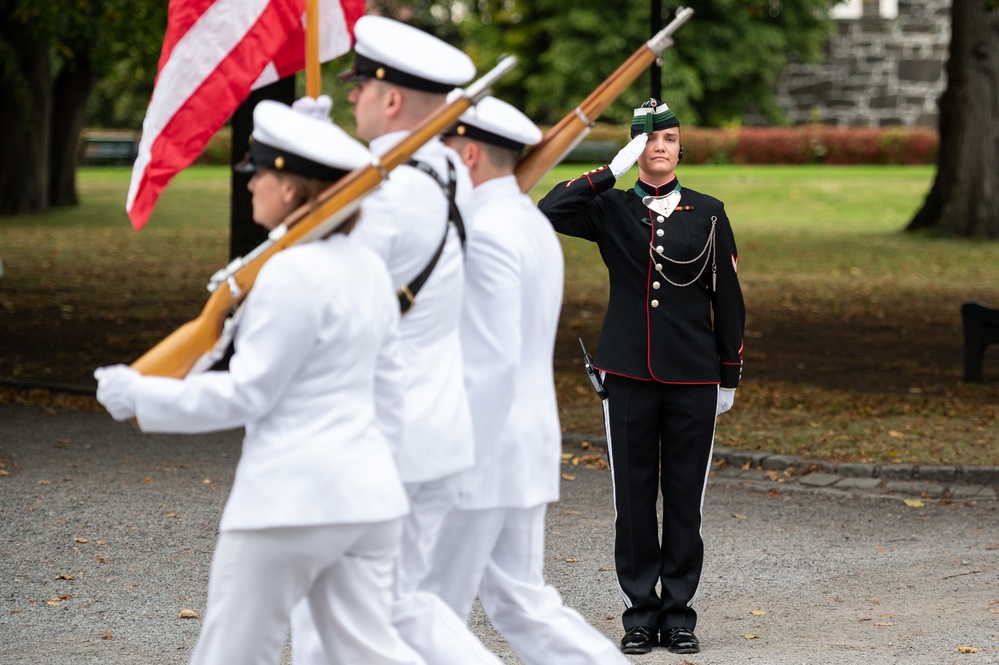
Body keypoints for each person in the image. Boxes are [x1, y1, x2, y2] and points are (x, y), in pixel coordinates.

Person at [93, 97, 427, 665]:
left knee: (232, 655)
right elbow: (389, 390)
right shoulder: (368, 267)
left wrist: (140, 395)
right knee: (370, 654)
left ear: (292, 190)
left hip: (290, 503)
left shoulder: (291, 273)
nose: (249, 186)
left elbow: (249, 393)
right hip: (369, 500)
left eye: (259, 174)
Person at [289, 15, 501, 665]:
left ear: (390, 99)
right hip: (433, 432)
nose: (348, 97)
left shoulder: (384, 188)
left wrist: (305, 164)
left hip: (382, 435)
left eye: (359, 87)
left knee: (327, 612)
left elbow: (318, 277)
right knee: (397, 605)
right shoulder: (444, 170)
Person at [415, 95, 631, 665]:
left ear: (468, 152)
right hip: (524, 440)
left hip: (484, 447)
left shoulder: (486, 230)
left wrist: (451, 457)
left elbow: (491, 363)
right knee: (519, 601)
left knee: (425, 609)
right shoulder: (527, 222)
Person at [538, 98, 746, 655]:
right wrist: (610, 171)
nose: (661, 147)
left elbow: (727, 299)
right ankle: (639, 613)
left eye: (670, 139)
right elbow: (548, 210)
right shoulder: (611, 208)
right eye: (650, 139)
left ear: (680, 147)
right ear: (636, 147)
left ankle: (678, 612)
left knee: (684, 498)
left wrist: (729, 374)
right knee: (632, 500)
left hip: (694, 376)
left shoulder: (708, 212)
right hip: (627, 374)